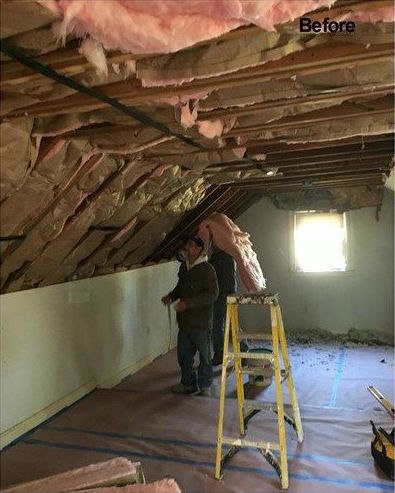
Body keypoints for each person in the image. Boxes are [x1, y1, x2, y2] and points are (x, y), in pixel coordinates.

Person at [162, 236, 219, 396]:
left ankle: (205, 386)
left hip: (201, 322)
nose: (188, 249)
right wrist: (171, 297)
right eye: (187, 245)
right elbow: (181, 287)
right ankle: (187, 384)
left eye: (192, 246)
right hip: (185, 322)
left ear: (200, 249)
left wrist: (188, 304)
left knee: (205, 356)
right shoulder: (185, 268)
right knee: (184, 356)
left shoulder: (207, 269)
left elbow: (212, 294)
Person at [209, 244, 237, 366]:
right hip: (219, 296)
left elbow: (228, 279)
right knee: (221, 326)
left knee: (227, 325)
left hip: (224, 296)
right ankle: (220, 355)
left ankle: (243, 351)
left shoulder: (225, 258)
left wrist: (226, 294)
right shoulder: (215, 257)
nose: (211, 245)